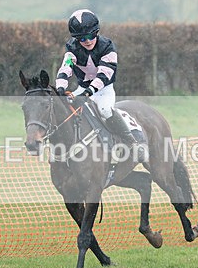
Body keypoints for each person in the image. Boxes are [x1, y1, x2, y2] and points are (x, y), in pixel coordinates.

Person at [54, 9, 146, 162]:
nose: (87, 41)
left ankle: (132, 143)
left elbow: (103, 76)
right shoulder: (72, 48)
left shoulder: (107, 47)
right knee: (65, 109)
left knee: (105, 110)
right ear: (76, 39)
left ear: (96, 32)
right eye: (82, 38)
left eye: (91, 36)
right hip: (82, 88)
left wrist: (88, 93)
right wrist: (61, 88)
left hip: (104, 89)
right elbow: (66, 68)